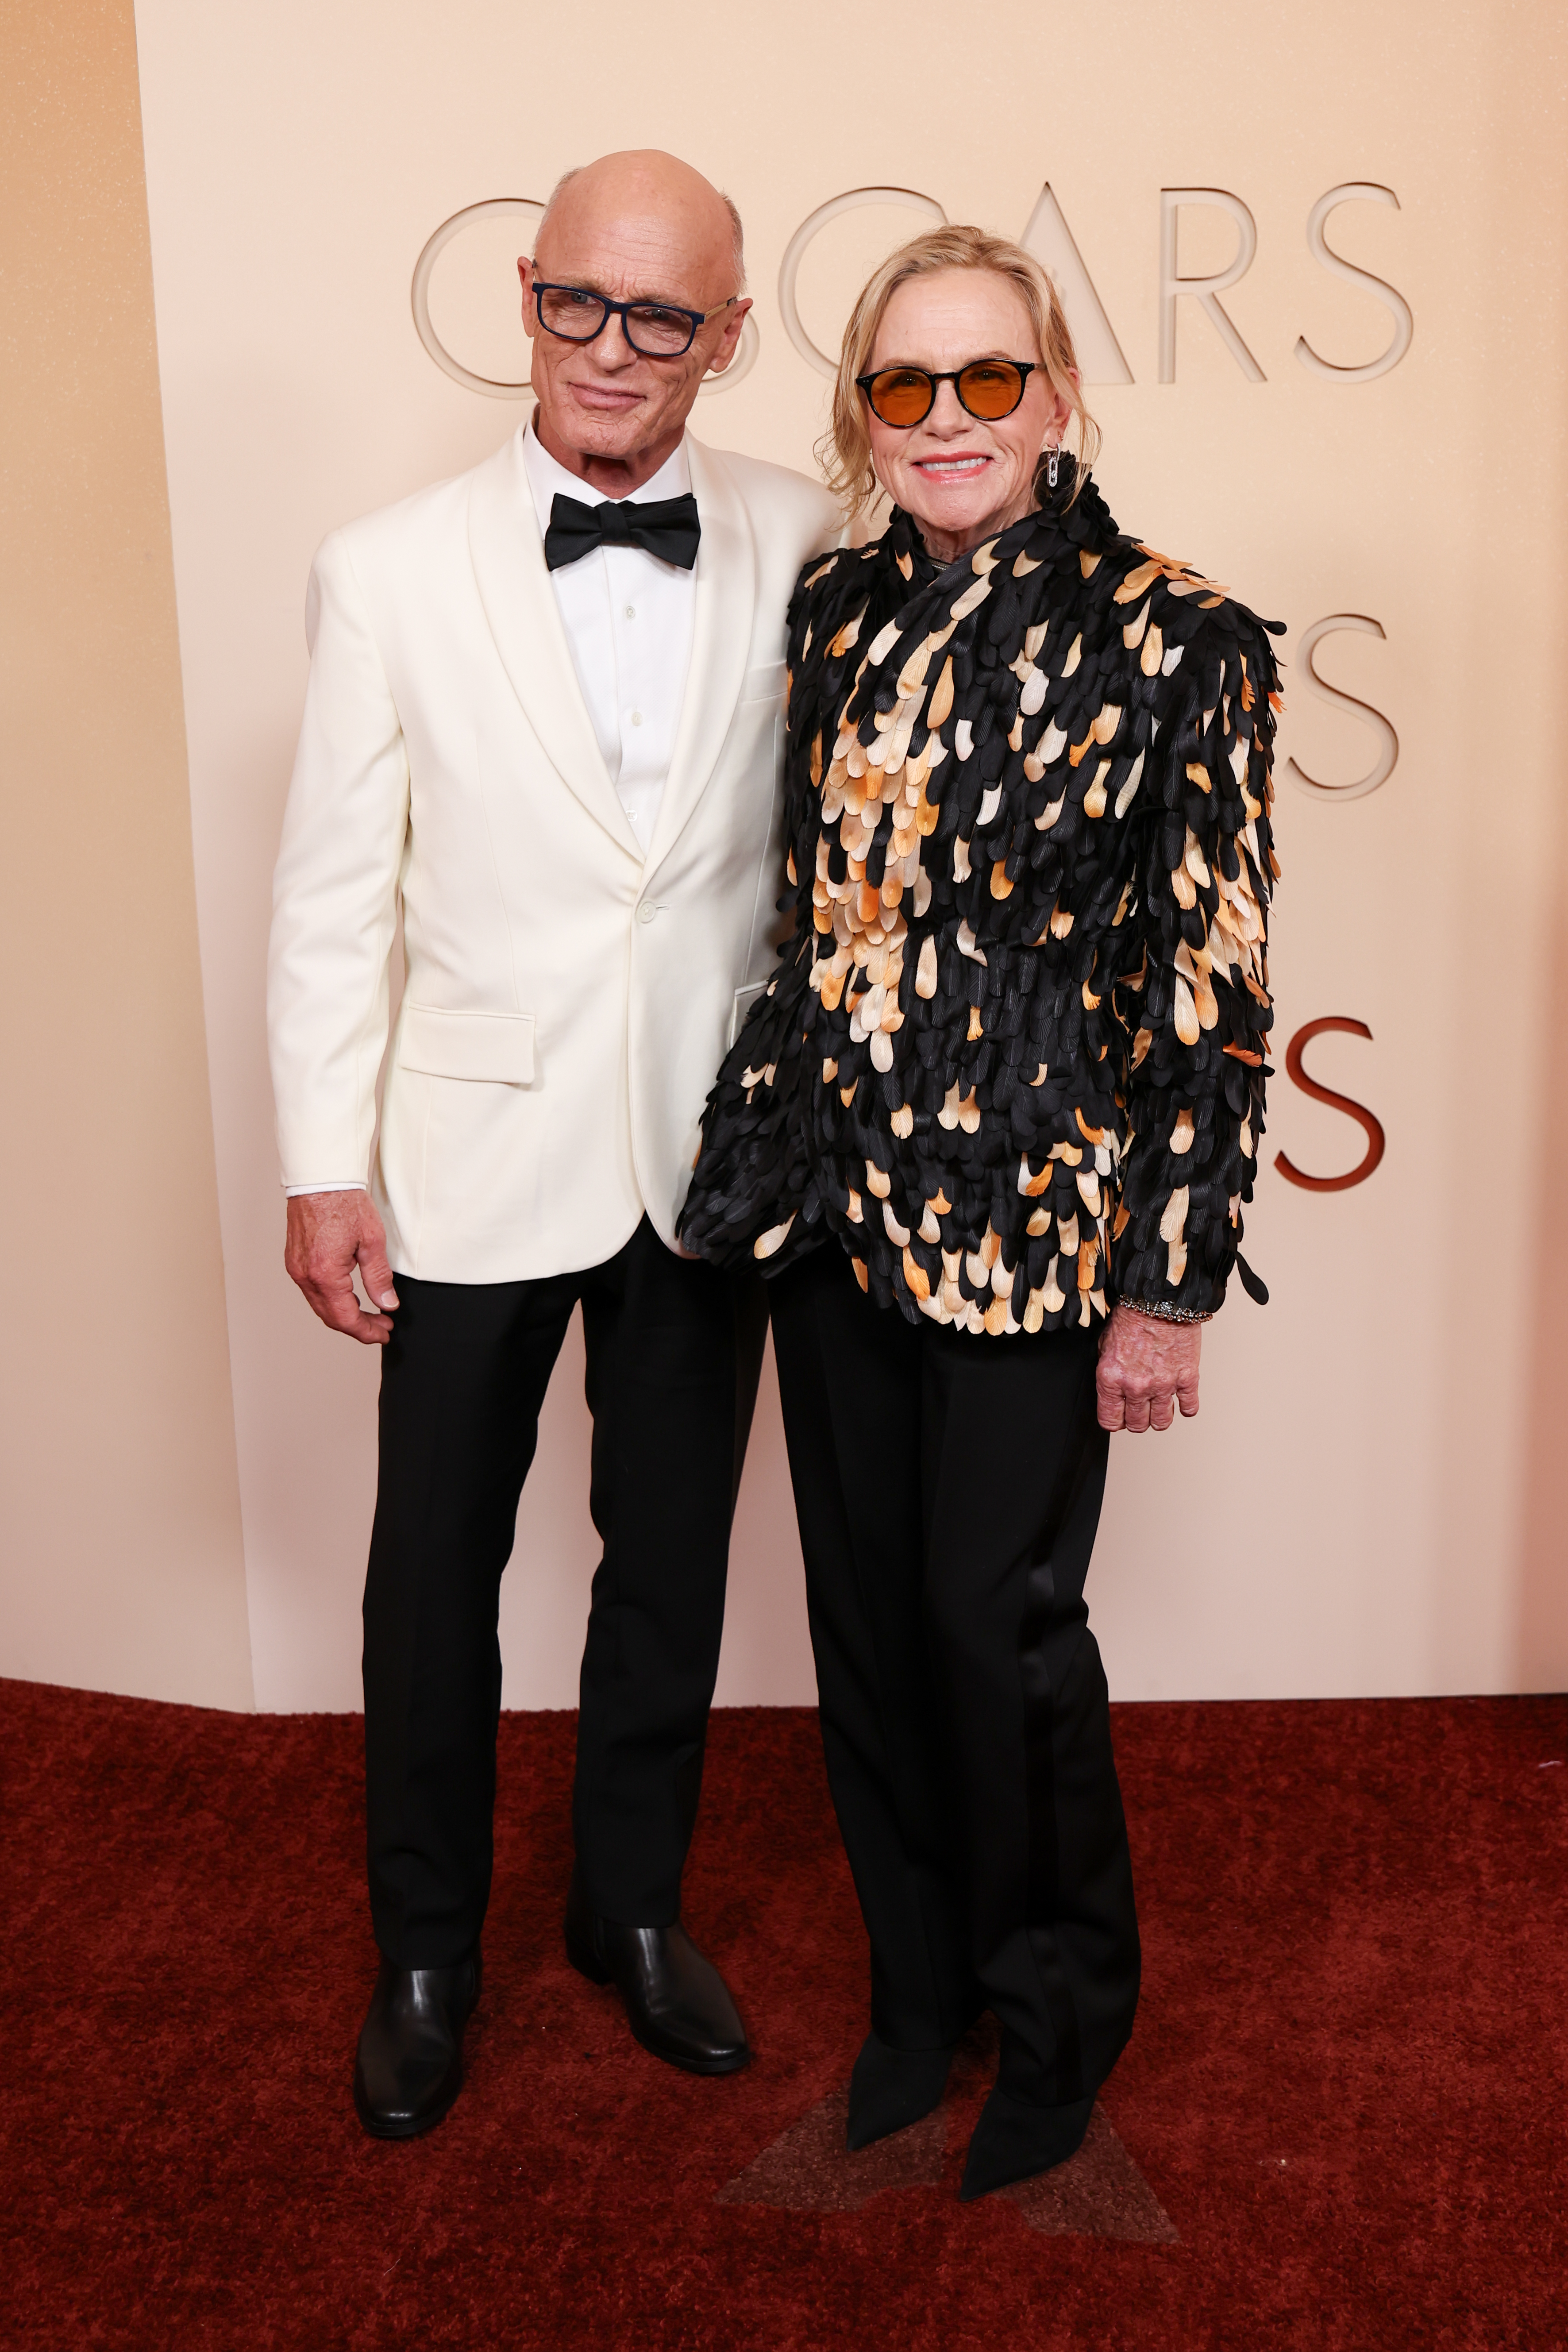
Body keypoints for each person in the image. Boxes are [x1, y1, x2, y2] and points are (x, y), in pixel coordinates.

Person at [680, 226, 1281, 2199]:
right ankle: (911, 1997)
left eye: (989, 379)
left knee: (993, 1628)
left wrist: (1168, 1282)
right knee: (862, 1630)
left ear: (1061, 392)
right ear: (861, 410)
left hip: (1036, 1230)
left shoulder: (1178, 640)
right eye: (904, 385)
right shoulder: (839, 613)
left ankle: (1057, 2018)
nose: (947, 421)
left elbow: (1206, 986)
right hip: (837, 1212)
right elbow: (801, 917)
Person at [268, 150, 840, 2138]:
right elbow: (336, 895)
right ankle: (425, 1948)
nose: (612, 351)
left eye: (661, 317)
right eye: (578, 305)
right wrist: (322, 1158)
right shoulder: (385, 565)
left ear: (727, 336)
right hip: (464, 1159)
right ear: (524, 299)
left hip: (713, 1161)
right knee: (430, 1572)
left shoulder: (805, 532)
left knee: (664, 1562)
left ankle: (631, 1911)